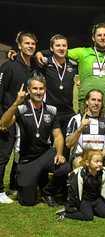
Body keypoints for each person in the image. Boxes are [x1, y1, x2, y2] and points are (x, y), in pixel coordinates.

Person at [0, 73, 70, 206]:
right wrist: (16, 102)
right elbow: (3, 124)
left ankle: (48, 192)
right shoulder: (21, 108)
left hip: (45, 155)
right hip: (27, 159)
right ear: (28, 90)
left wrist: (60, 154)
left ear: (45, 90)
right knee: (28, 202)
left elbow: (58, 136)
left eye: (41, 89)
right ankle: (30, 182)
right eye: (35, 88)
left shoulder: (51, 110)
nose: (38, 92)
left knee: (64, 167)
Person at [36, 22, 105, 113]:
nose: (102, 38)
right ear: (93, 38)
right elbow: (60, 51)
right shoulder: (82, 52)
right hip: (86, 108)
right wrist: (40, 53)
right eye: (99, 35)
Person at [0, 32, 37, 203]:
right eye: (27, 43)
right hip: (8, 118)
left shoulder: (34, 67)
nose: (30, 46)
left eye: (33, 44)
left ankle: (13, 186)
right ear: (19, 46)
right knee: (4, 154)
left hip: (25, 119)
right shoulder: (8, 67)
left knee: (19, 153)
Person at [56, 149, 105, 221]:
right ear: (87, 163)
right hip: (84, 200)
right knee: (88, 217)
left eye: (101, 161)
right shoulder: (80, 174)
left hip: (96, 199)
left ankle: (92, 210)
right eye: (96, 162)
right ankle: (65, 214)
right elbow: (73, 191)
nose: (100, 164)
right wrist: (72, 205)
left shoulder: (103, 173)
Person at [65, 89, 105, 169]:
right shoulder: (76, 119)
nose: (96, 103)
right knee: (79, 163)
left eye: (99, 100)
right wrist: (80, 129)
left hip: (101, 157)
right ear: (87, 102)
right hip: (81, 157)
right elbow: (68, 144)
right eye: (93, 100)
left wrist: (96, 158)